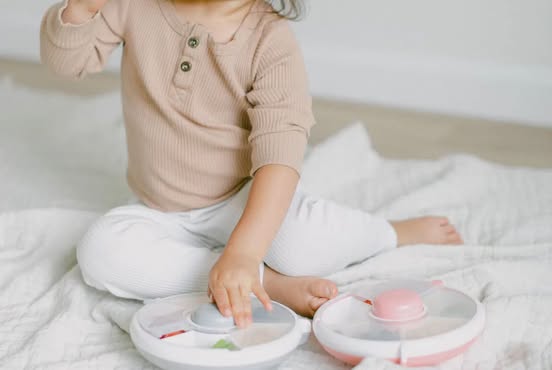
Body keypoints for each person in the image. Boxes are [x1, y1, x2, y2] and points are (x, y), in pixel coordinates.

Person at [40, 0, 463, 329]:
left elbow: (279, 153)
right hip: (156, 208)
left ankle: (389, 233)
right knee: (100, 252)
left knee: (305, 242)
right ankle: (265, 283)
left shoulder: (269, 39)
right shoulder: (136, 5)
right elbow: (67, 63)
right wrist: (81, 8)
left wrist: (245, 248)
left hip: (243, 198)